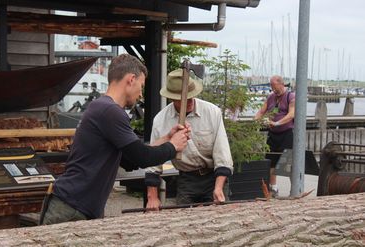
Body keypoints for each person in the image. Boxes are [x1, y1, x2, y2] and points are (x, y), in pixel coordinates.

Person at [42, 54, 190, 224]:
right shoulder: (109, 111)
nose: (141, 94)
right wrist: (173, 146)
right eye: (141, 86)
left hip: (75, 206)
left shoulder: (102, 108)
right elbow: (142, 157)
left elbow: (130, 160)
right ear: (131, 79)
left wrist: (167, 138)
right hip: (70, 208)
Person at [145, 69, 233, 209]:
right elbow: (153, 165)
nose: (190, 100)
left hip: (213, 178)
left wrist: (218, 187)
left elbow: (222, 154)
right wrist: (152, 197)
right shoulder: (161, 120)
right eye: (185, 98)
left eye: (192, 96)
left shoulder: (212, 112)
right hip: (186, 179)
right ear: (173, 99)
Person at [254, 75, 295, 197]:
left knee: (287, 163)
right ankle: (273, 189)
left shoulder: (290, 96)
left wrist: (277, 123)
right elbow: (261, 111)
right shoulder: (271, 97)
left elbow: (291, 114)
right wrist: (255, 121)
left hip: (286, 133)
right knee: (271, 162)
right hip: (273, 134)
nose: (273, 90)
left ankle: (295, 189)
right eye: (271, 87)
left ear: (282, 84)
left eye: (274, 87)